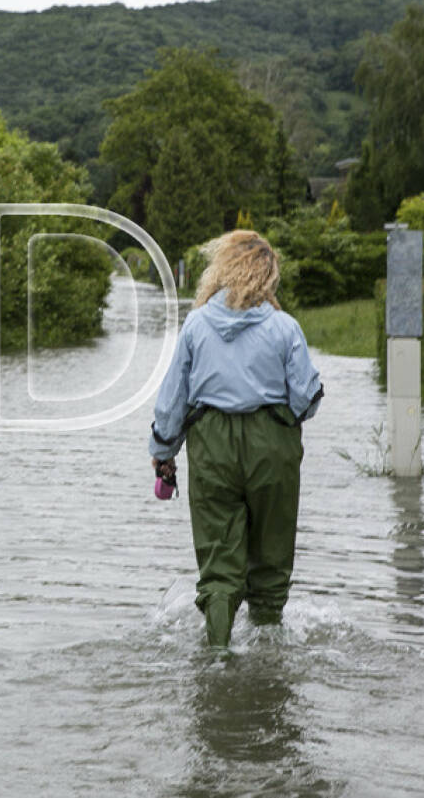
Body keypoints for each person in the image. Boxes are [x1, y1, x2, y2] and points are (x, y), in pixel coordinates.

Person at [148, 230, 323, 648]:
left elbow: (173, 398)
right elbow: (307, 398)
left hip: (212, 446)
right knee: (271, 559)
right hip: (272, 445)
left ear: (222, 271)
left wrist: (162, 451)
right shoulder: (285, 327)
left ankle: (218, 657)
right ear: (267, 276)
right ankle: (267, 662)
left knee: (219, 567)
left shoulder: (196, 325)